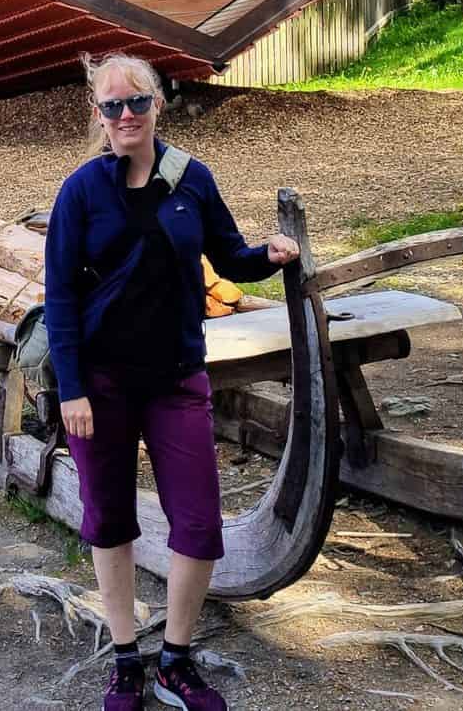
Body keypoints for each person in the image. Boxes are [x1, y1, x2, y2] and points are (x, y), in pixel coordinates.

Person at [43, 53, 300, 711]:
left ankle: (175, 661)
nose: (126, 116)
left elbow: (230, 255)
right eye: (112, 106)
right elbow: (61, 302)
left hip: (177, 378)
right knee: (111, 520)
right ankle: (127, 657)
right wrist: (70, 389)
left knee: (198, 522)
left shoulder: (192, 180)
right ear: (96, 114)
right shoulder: (79, 193)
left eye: (138, 103)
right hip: (99, 385)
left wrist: (266, 257)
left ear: (160, 104)